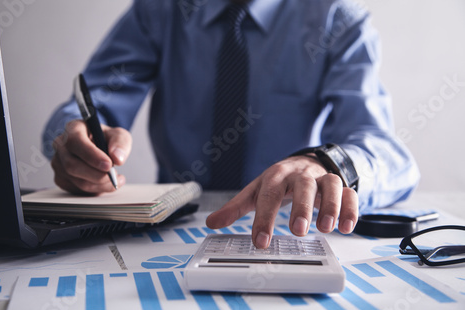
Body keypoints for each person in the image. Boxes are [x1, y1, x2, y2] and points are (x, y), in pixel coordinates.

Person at [43, 0, 420, 249]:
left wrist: (328, 162)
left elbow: (387, 152)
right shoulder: (160, 10)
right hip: (165, 231)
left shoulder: (336, 18)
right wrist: (76, 139)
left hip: (291, 231)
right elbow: (95, 106)